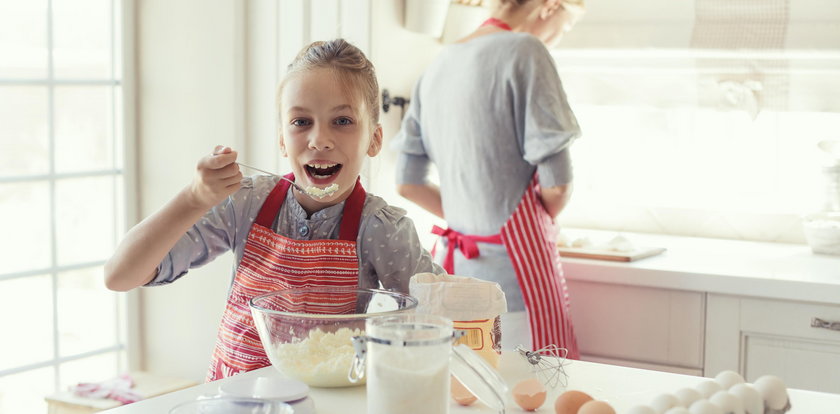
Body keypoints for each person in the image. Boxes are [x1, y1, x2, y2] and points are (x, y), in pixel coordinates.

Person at [104, 39, 443, 381]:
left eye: (342, 120)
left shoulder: (381, 228)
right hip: (233, 400)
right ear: (282, 139)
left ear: (374, 140)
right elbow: (120, 275)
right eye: (301, 122)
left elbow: (440, 316)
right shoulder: (245, 203)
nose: (319, 140)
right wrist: (193, 198)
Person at [392, 0, 585, 357]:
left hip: (454, 276)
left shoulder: (438, 65)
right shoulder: (526, 51)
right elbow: (558, 186)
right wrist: (519, 221)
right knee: (534, 391)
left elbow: (407, 183)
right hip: (516, 277)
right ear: (550, 6)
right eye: (567, 24)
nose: (560, 35)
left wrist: (471, 216)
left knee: (470, 392)